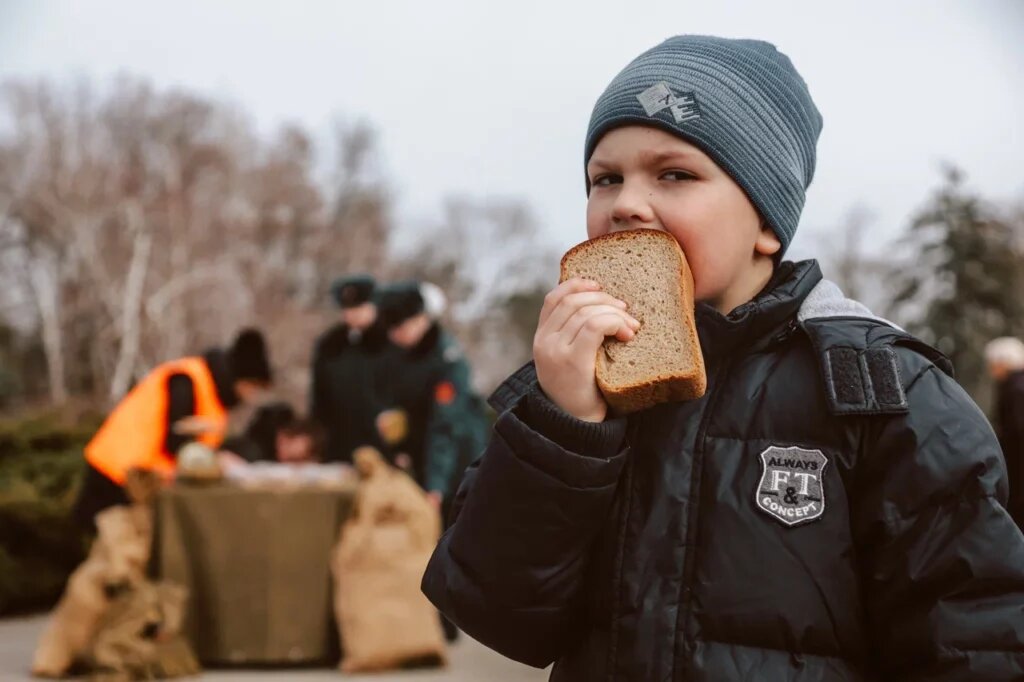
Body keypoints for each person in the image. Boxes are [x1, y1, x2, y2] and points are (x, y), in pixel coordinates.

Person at [422, 35, 1024, 680]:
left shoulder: (884, 390)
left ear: (767, 220)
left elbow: (977, 637)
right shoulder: (573, 387)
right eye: (605, 178)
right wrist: (562, 425)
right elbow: (498, 614)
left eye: (674, 174)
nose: (624, 202)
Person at [73, 328, 272, 528]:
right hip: (118, 476)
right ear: (240, 379)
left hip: (140, 482)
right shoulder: (185, 380)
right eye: (252, 387)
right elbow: (176, 441)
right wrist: (218, 462)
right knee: (112, 549)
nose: (251, 396)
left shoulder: (213, 396)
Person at [374, 281, 488, 518]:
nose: (395, 336)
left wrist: (436, 485)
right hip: (419, 455)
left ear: (420, 320)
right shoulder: (396, 353)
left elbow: (445, 425)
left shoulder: (448, 360)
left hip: (456, 459)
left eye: (401, 328)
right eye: (391, 330)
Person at [309, 274, 391, 463]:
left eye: (358, 307)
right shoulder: (330, 345)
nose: (351, 314)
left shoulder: (391, 342)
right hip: (339, 444)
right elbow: (319, 398)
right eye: (347, 308)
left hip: (381, 446)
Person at [986, 336, 1024, 530]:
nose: (991, 370)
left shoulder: (1014, 389)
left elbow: (1017, 431)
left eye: (993, 364)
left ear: (1004, 363)